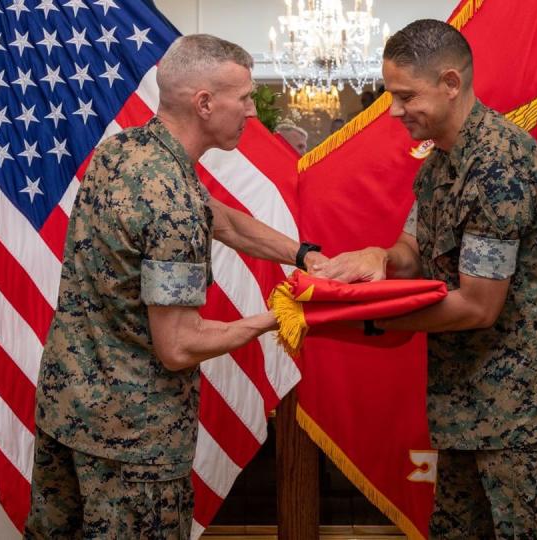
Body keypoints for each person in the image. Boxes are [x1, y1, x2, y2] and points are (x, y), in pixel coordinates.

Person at [25, 34, 326, 538]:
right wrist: (278, 317)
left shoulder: (123, 153)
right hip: (132, 445)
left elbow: (223, 221)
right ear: (205, 104)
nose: (253, 111)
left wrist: (303, 256)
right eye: (246, 97)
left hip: (65, 412)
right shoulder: (173, 202)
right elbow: (179, 346)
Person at [312, 20, 537, 539]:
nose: (394, 111)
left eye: (405, 96)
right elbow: (417, 246)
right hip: (469, 408)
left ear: (450, 83)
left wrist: (367, 317)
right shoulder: (440, 164)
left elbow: (477, 306)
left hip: (527, 415)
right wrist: (381, 258)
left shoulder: (499, 168)